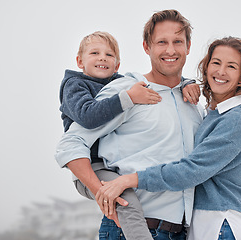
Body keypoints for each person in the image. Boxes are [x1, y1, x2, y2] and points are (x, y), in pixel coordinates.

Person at [55, 10, 241, 240]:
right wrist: (102, 193)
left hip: (183, 232)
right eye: (161, 42)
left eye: (177, 42)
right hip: (129, 229)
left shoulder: (193, 104)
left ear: (188, 46)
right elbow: (71, 144)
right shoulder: (129, 91)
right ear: (147, 46)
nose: (170, 50)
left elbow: (202, 162)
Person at [58, 30, 200, 240]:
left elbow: (167, 80)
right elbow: (86, 118)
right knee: (125, 199)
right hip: (93, 167)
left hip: (177, 227)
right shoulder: (76, 85)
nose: (102, 58)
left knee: (123, 195)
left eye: (109, 55)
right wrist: (129, 98)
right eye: (94, 53)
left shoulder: (121, 83)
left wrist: (186, 83)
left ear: (117, 66)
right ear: (79, 61)